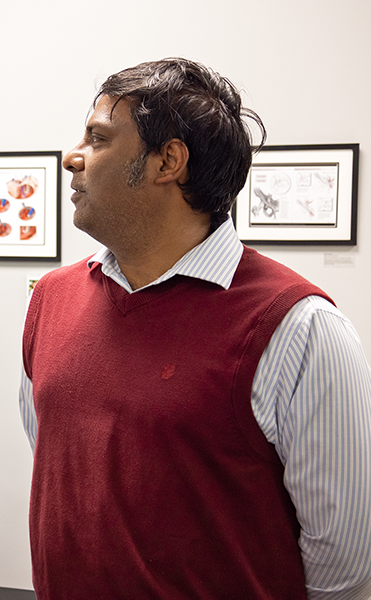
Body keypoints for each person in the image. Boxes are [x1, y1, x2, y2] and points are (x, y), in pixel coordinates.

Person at [19, 58, 371, 599]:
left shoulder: (299, 328)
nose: (72, 158)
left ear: (169, 161)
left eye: (98, 138)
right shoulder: (51, 300)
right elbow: (57, 457)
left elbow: (341, 562)